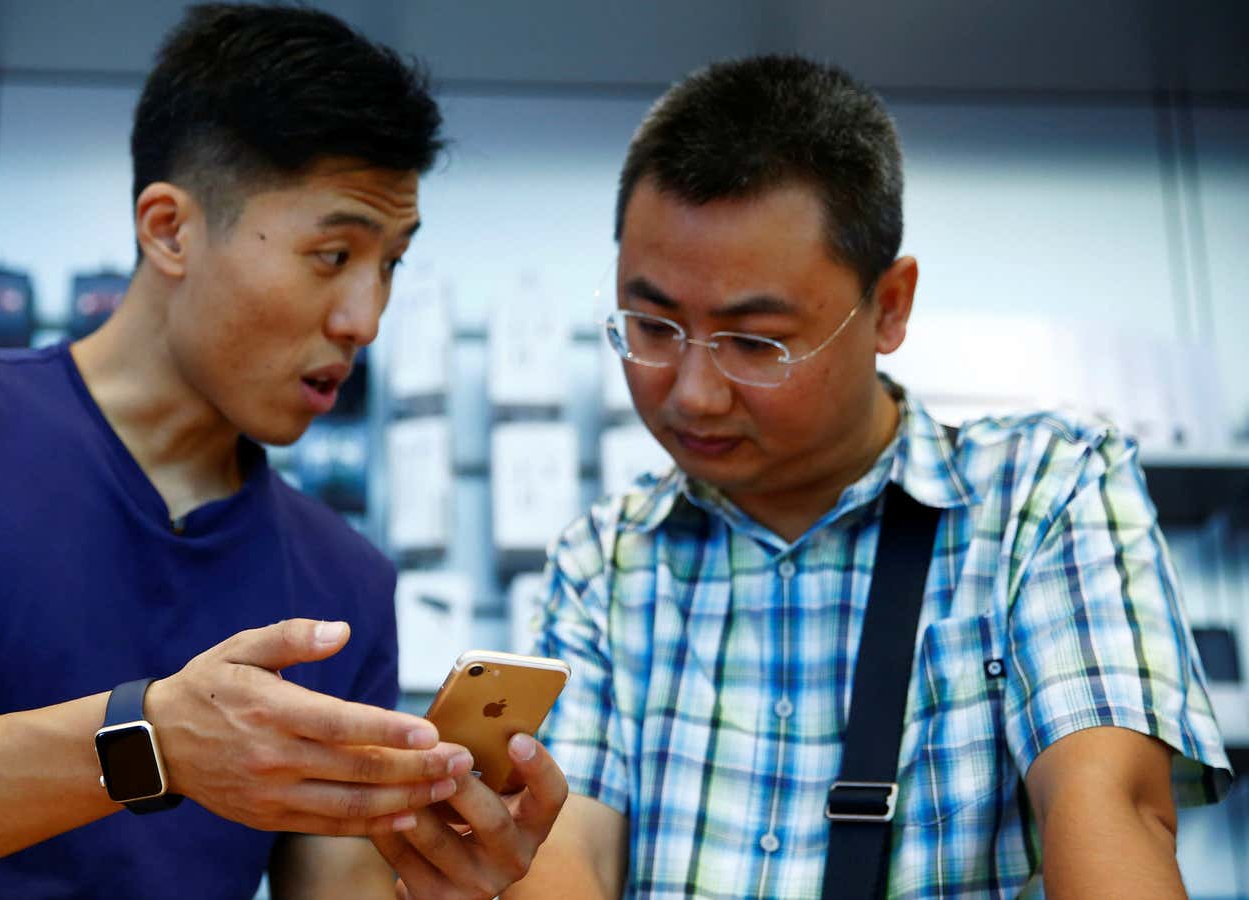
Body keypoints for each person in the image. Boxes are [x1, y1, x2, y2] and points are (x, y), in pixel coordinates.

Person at [0, 5, 565, 898]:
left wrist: (444, 876)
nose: (366, 318)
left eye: (390, 263)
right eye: (333, 253)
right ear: (168, 230)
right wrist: (148, 742)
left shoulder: (341, 582)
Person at [507, 55, 1233, 899]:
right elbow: (563, 854)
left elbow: (1112, 808)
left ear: (889, 306)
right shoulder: (608, 560)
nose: (693, 392)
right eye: (653, 325)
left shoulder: (1043, 496)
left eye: (757, 343)